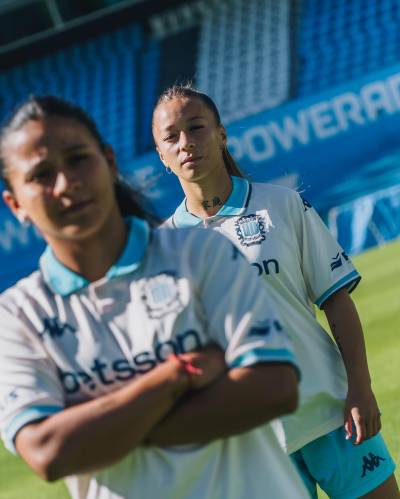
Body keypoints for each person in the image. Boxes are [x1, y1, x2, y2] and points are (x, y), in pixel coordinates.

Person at [0, 95, 311, 499]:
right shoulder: (17, 316)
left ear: (109, 162)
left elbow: (273, 389)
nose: (66, 183)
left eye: (78, 159)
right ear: (15, 204)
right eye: (41, 174)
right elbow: (48, 452)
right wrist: (174, 376)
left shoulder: (201, 254)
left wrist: (100, 432)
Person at [151, 84, 400, 499]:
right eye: (171, 137)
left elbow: (336, 300)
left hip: (333, 414)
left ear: (221, 135)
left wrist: (360, 387)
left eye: (196, 127)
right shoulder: (162, 250)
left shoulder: (281, 205)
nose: (186, 143)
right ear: (162, 156)